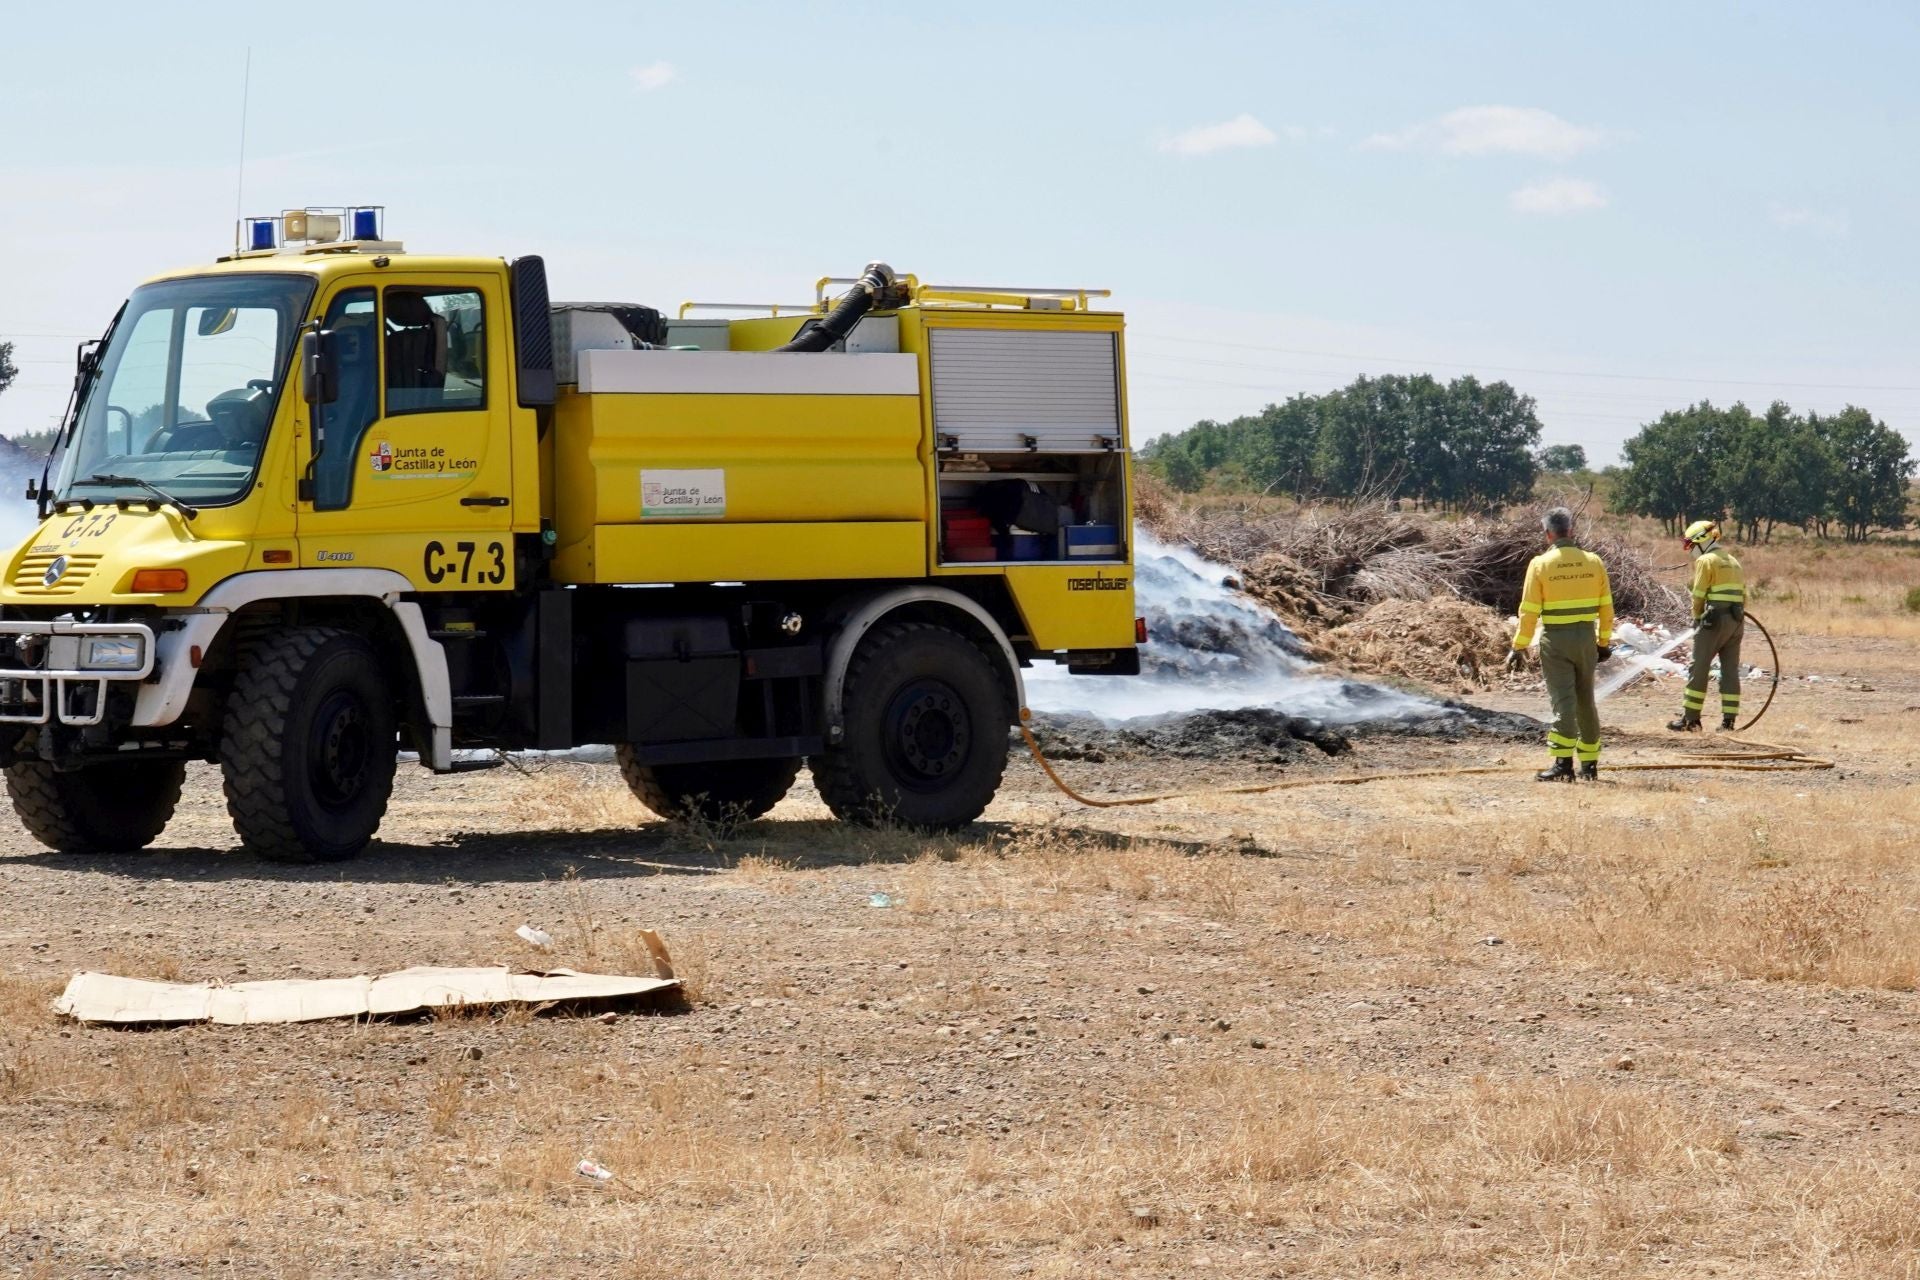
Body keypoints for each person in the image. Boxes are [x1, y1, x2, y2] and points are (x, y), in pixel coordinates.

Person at [1505, 507, 1614, 781]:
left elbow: (1528, 611)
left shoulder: (1540, 564)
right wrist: (1603, 642)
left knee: (1563, 701)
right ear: (1571, 531)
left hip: (1556, 639)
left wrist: (1519, 646)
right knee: (1586, 701)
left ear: (1548, 534)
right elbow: (1606, 608)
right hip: (1586, 639)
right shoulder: (1593, 562)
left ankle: (1563, 765)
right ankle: (1589, 766)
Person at [1668, 519, 1746, 732]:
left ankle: (1691, 720)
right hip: (1736, 622)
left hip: (1713, 622)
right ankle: (1728, 722)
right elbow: (1743, 595)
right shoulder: (1733, 561)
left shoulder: (1706, 561)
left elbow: (1698, 595)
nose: (1691, 551)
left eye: (1691, 545)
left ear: (1702, 541)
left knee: (1699, 668)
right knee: (1730, 671)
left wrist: (1696, 619)